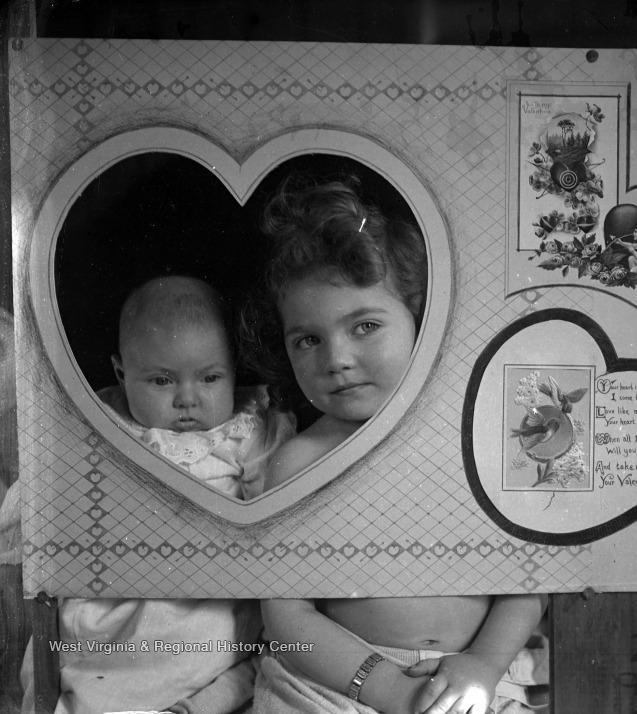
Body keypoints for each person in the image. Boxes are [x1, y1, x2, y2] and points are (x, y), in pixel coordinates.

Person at [242, 176, 547, 714]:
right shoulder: (299, 462)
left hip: (480, 671)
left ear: (422, 320)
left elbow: (528, 579)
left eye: (364, 326)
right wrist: (389, 689)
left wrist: (482, 666)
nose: (335, 358)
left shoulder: (478, 445)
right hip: (337, 683)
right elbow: (288, 619)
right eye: (308, 339)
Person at [28, 276, 295, 714]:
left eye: (210, 377)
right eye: (161, 381)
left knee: (246, 642)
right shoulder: (97, 419)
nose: (187, 399)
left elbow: (273, 505)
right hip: (115, 600)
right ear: (121, 372)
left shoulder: (248, 426)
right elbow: (44, 495)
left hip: (208, 596)